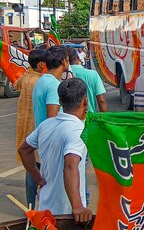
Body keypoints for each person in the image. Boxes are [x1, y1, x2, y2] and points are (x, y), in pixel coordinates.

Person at [19, 78, 92, 222]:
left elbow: (24, 150)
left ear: (59, 100)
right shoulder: (78, 130)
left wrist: (38, 179)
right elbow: (70, 165)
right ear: (85, 101)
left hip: (46, 209)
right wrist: (77, 206)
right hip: (67, 214)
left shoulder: (46, 125)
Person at [14, 49, 46, 207]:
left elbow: (16, 83)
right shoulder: (40, 81)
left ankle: (31, 206)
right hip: (36, 129)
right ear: (41, 64)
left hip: (26, 129)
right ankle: (36, 207)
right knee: (36, 169)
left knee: (30, 168)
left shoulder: (26, 77)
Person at [32, 45, 70, 128]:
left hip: (42, 134)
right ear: (64, 62)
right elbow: (52, 120)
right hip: (50, 137)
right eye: (68, 60)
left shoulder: (42, 80)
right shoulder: (53, 85)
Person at [68, 48, 107, 113]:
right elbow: (101, 100)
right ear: (77, 59)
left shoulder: (62, 76)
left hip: (68, 120)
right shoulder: (93, 74)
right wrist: (105, 120)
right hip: (89, 118)